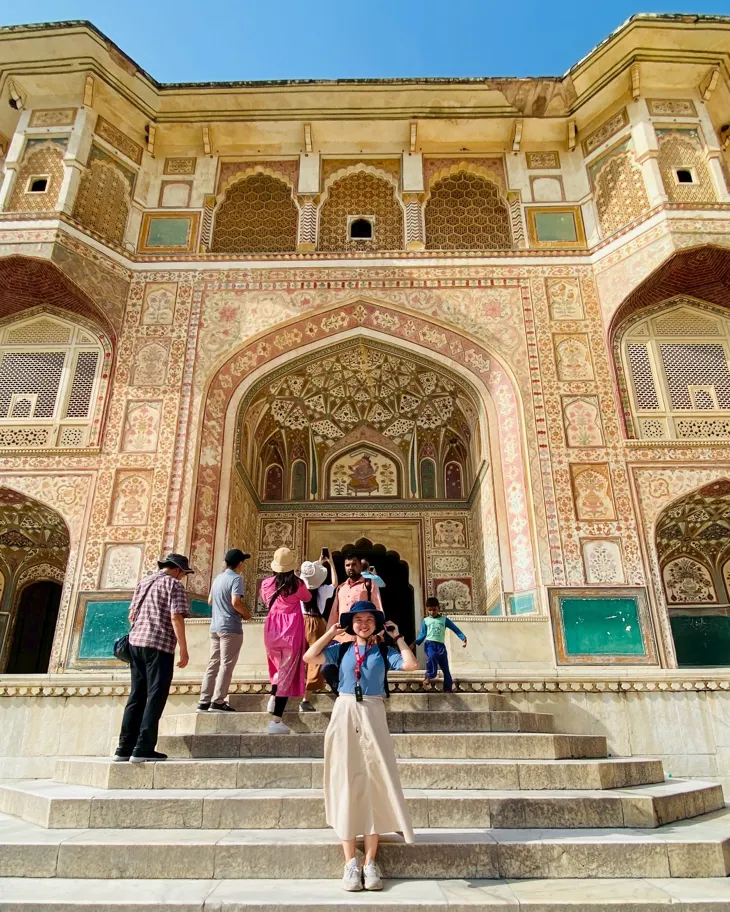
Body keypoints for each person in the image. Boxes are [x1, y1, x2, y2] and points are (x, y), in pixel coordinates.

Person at [304, 601, 418, 892]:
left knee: (375, 782)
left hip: (373, 711)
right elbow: (309, 656)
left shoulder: (383, 651)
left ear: (376, 623)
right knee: (346, 780)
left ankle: (370, 861)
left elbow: (410, 665)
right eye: (358, 619)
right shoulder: (340, 649)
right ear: (350, 624)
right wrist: (331, 632)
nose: (363, 623)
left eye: (369, 619)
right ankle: (349, 862)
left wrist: (398, 636)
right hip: (344, 712)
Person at [115, 552, 193, 763]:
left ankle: (123, 748)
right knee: (155, 696)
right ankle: (143, 748)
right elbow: (176, 617)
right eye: (183, 573)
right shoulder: (174, 585)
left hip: (136, 643)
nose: (182, 577)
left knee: (136, 696)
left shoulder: (145, 581)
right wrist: (183, 649)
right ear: (177, 569)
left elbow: (131, 614)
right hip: (159, 646)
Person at [261, 547, 311, 734]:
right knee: (286, 673)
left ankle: (273, 698)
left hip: (272, 628)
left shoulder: (266, 583)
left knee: (276, 667)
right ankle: (276, 720)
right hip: (291, 630)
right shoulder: (297, 584)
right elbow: (308, 597)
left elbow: (266, 601)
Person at [198, 548, 251, 713]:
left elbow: (209, 601)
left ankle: (204, 701)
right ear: (240, 563)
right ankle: (218, 701)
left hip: (215, 626)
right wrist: (246, 613)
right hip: (230, 627)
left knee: (213, 663)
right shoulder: (236, 579)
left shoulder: (218, 578)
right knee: (226, 665)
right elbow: (236, 602)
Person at [299, 552, 337, 712]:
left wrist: (318, 564)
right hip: (315, 622)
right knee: (315, 658)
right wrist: (331, 563)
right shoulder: (322, 591)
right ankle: (306, 700)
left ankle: (281, 696)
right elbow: (335, 583)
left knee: (298, 657)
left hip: (299, 622)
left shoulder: (299, 588)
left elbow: (310, 578)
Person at [412, 597, 467, 693]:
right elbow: (423, 634)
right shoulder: (426, 620)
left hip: (441, 646)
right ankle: (429, 676)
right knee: (432, 657)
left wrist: (463, 638)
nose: (432, 612)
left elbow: (455, 629)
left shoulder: (444, 620)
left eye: (434, 609)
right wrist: (414, 643)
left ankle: (447, 689)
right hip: (429, 644)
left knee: (445, 668)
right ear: (427, 609)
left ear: (438, 608)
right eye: (430, 610)